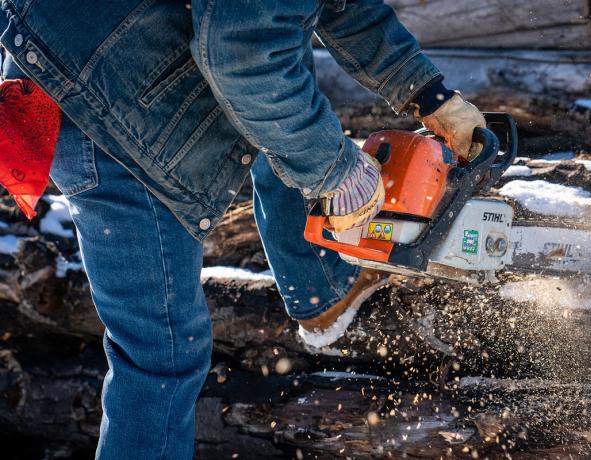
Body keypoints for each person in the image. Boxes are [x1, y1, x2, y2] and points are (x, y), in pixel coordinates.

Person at [0, 1, 485, 458]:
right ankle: (317, 279)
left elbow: (323, 8)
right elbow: (243, 56)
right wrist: (332, 170)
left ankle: (318, 282)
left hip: (84, 59)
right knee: (159, 352)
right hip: (102, 100)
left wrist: (428, 93)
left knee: (274, 44)